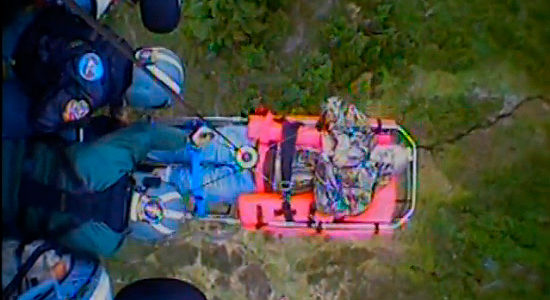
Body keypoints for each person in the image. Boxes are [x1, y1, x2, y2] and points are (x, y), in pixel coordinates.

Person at [3, 121, 208, 257]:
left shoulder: (114, 163)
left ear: (150, 184)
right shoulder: (108, 245)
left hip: (12, 158)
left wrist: (187, 141)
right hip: (9, 215)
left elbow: (144, 134)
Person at [3, 4, 185, 141]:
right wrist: (74, 126)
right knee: (21, 123)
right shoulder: (94, 92)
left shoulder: (117, 45)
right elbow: (43, 119)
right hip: (19, 54)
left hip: (28, 20)